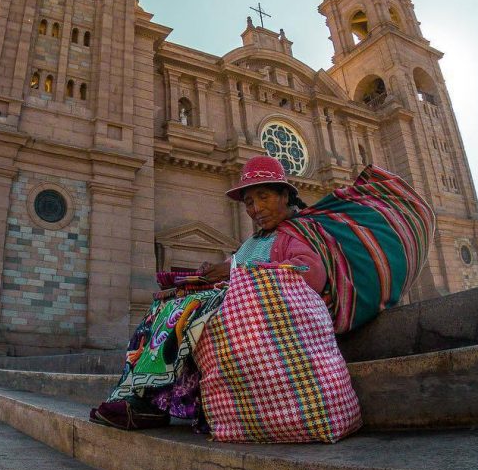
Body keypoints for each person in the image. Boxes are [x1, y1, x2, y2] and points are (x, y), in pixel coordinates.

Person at [89, 156, 327, 431]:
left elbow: (310, 274)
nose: (256, 208)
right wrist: (194, 281)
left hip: (268, 321)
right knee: (164, 308)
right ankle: (141, 399)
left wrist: (235, 272)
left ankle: (149, 405)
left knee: (184, 313)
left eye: (263, 197)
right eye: (249, 202)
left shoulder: (297, 232)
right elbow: (227, 270)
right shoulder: (255, 240)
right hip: (235, 312)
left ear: (285, 195)